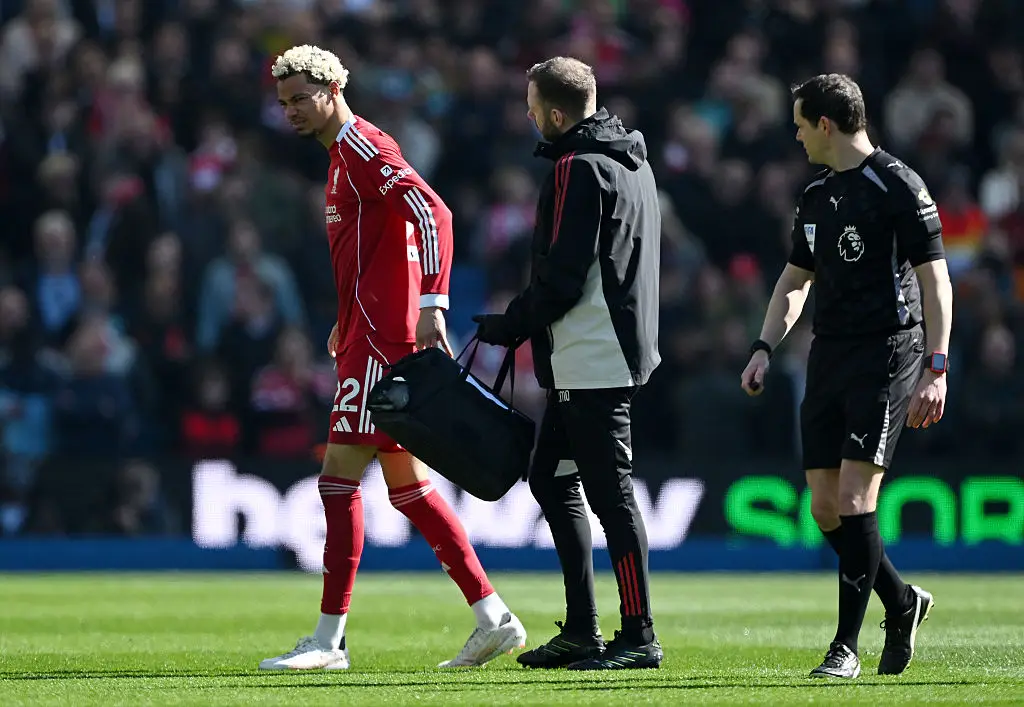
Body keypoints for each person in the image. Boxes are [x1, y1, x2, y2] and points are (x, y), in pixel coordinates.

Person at [259, 44, 526, 671]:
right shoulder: (339, 158)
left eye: (301, 97)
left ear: (331, 89)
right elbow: (374, 250)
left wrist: (435, 300)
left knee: (337, 483)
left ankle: (328, 642)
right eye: (284, 102)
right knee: (409, 491)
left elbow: (433, 210)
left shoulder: (359, 147)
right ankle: (493, 618)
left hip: (382, 343)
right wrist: (345, 318)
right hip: (367, 332)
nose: (291, 110)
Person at [740, 74, 951, 679]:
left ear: (825, 124)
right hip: (828, 356)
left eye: (802, 123)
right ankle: (903, 601)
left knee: (858, 500)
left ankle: (846, 647)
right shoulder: (815, 197)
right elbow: (794, 280)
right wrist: (763, 346)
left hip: (888, 353)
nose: (798, 134)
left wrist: (936, 366)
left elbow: (935, 281)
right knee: (827, 510)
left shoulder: (899, 186)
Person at [473, 57, 663, 670]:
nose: (529, 117)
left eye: (532, 108)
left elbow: (562, 276)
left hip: (591, 355)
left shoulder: (574, 169)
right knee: (552, 481)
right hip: (613, 348)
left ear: (556, 113)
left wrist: (511, 325)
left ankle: (639, 636)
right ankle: (582, 628)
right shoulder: (632, 163)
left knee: (611, 498)